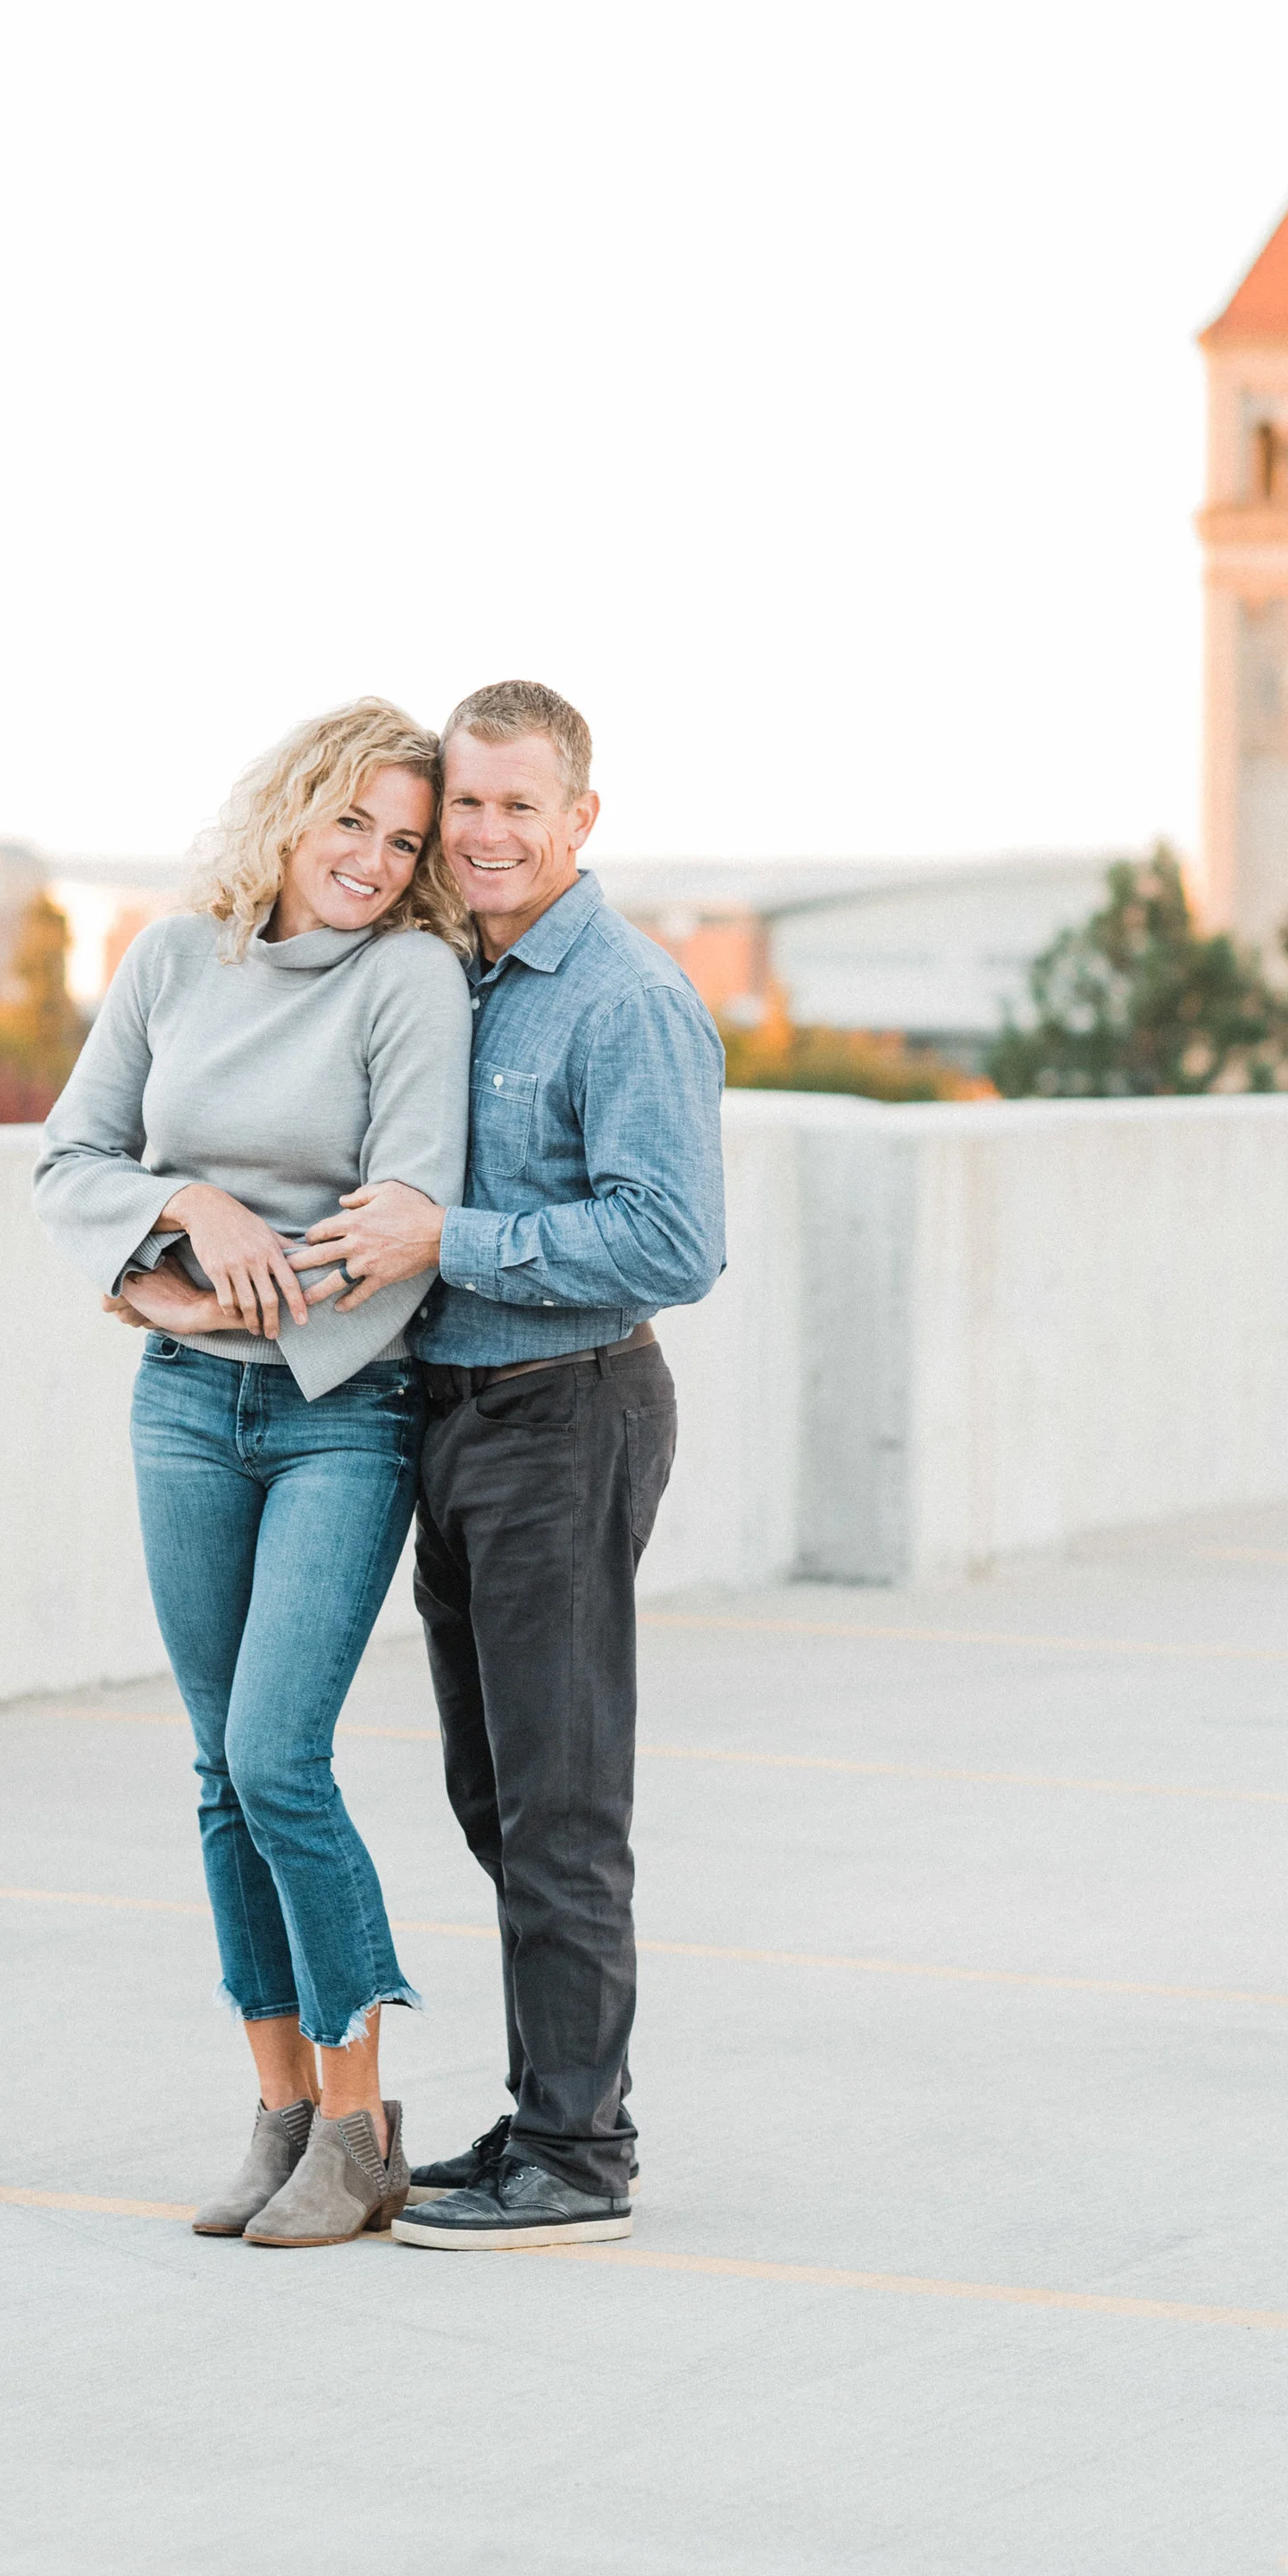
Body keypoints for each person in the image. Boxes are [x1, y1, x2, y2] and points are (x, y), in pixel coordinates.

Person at [32, 699, 472, 2248]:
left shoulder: (410, 979)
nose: (373, 859)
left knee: (284, 1756)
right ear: (291, 812)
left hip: (341, 1414)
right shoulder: (172, 962)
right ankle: (282, 2111)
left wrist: (177, 1281)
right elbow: (72, 1164)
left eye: (404, 840)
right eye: (351, 821)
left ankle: (360, 2133)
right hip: (181, 1413)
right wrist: (192, 1206)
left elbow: (407, 1210)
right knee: (220, 1770)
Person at [302, 679, 726, 2250]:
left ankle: (580, 2158)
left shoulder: (621, 994)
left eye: (514, 808)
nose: (481, 835)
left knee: (559, 1806)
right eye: (463, 805)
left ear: (579, 819)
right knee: (496, 1796)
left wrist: (448, 1237)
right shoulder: (452, 975)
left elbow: (678, 1239)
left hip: (570, 1413)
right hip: (460, 1417)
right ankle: (548, 2116)